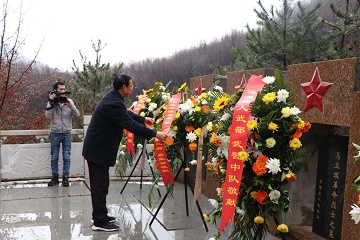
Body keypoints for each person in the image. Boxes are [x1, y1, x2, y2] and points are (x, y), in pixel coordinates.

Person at [82, 73, 167, 232]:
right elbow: (129, 125)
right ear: (124, 87)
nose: (132, 88)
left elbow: (126, 113)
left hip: (98, 149)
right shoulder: (113, 102)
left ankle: (100, 215)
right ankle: (99, 222)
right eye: (131, 86)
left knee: (102, 184)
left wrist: (143, 119)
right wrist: (155, 134)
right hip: (97, 150)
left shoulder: (114, 99)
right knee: (99, 185)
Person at [45, 81, 80, 187]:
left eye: (64, 89)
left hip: (67, 133)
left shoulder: (69, 102)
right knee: (54, 157)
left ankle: (65, 178)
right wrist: (51, 101)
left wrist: (70, 105)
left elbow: (77, 115)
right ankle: (55, 178)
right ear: (56, 90)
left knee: (66, 157)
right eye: (61, 89)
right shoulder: (52, 102)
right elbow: (47, 115)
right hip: (55, 133)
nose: (63, 91)